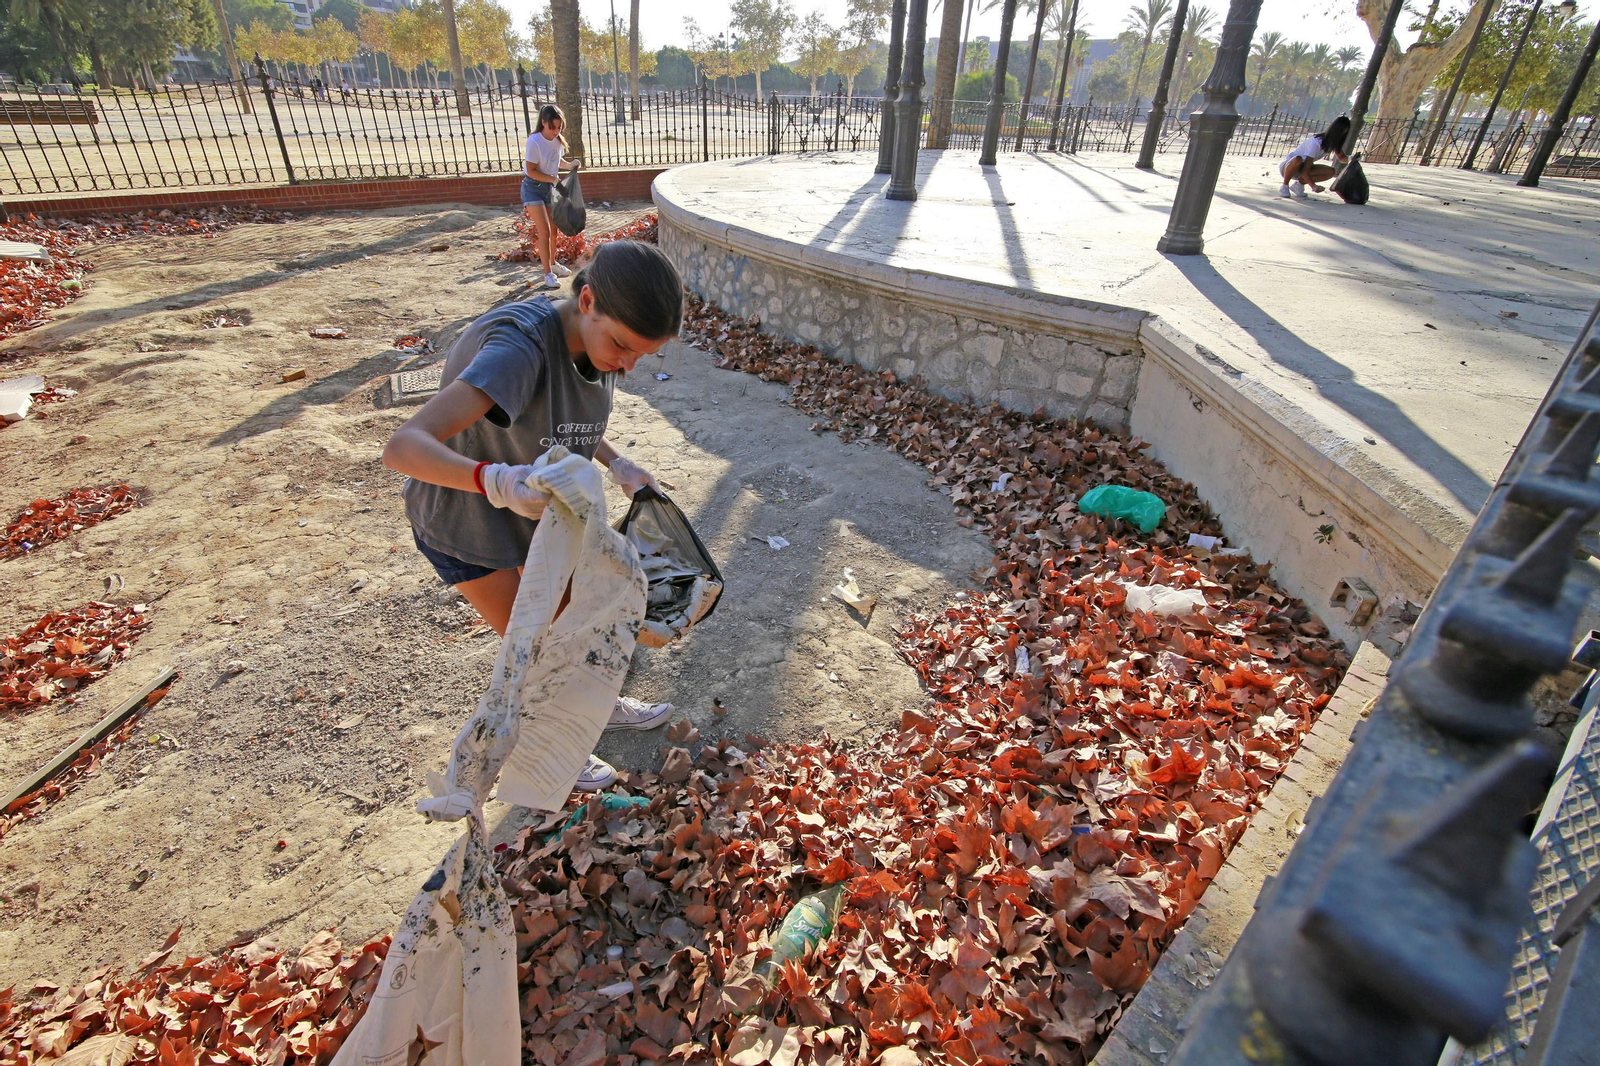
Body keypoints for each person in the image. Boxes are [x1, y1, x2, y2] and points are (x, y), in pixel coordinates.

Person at [383, 240, 684, 792]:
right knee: (533, 647)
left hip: (536, 518)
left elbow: (561, 415)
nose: (627, 364)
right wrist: (496, 480)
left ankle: (594, 703)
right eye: (622, 347)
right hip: (465, 522)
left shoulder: (596, 339)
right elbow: (403, 446)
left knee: (576, 620)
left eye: (642, 355)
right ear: (588, 300)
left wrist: (618, 463)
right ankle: (552, 749)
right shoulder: (518, 348)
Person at [522, 104, 576, 291]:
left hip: (550, 187)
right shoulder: (535, 141)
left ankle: (553, 263)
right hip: (534, 188)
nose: (556, 131)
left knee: (554, 231)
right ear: (543, 122)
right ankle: (547, 274)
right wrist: (552, 179)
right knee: (544, 232)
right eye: (552, 127)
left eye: (559, 127)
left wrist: (569, 166)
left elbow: (555, 159)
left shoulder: (558, 140)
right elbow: (531, 170)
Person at [1279, 116, 1351, 199]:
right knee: (1298, 159)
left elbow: (1342, 158)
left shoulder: (1332, 144)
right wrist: (1313, 186)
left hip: (1303, 170)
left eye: (1344, 134)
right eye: (1340, 132)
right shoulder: (1316, 143)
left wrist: (1350, 158)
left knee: (1331, 171)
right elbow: (1304, 170)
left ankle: (1298, 186)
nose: (1341, 136)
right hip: (1287, 168)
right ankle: (1284, 186)